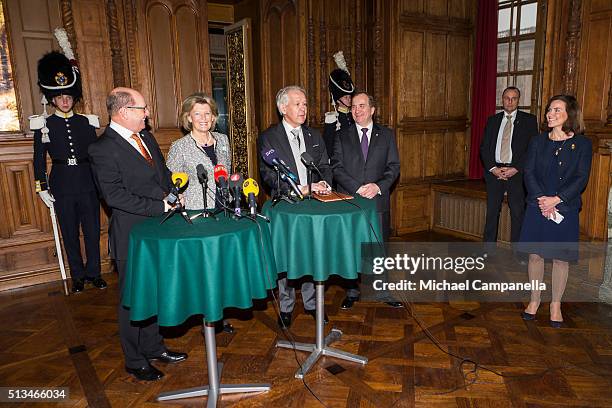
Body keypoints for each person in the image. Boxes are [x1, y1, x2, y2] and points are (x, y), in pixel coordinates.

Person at [88, 87, 188, 381]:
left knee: (156, 290)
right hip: (132, 233)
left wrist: (173, 193)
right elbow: (114, 196)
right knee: (133, 297)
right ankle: (134, 359)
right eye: (142, 109)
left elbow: (162, 174)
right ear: (123, 113)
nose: (147, 114)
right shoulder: (101, 148)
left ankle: (154, 347)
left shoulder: (145, 136)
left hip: (160, 228)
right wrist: (160, 205)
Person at [258, 85, 332, 329]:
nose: (303, 108)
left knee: (311, 253)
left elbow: (325, 166)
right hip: (286, 205)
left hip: (312, 206)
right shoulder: (270, 137)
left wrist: (322, 183)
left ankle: (312, 304)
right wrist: (294, 189)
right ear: (282, 108)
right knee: (286, 255)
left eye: (305, 104)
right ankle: (286, 306)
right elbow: (268, 174)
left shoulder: (314, 136)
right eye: (297, 104)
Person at [32, 50, 105, 293]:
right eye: (60, 96)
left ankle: (94, 273)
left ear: (74, 97)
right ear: (51, 98)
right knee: (70, 233)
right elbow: (39, 160)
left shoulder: (86, 122)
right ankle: (77, 276)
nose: (65, 100)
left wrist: (101, 184)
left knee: (92, 231)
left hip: (87, 183)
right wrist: (41, 187)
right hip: (61, 186)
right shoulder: (44, 125)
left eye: (68, 96)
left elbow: (95, 156)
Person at [518, 95, 591, 328]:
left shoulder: (582, 144)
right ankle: (534, 300)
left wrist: (557, 200)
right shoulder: (537, 142)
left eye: (556, 109)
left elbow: (581, 178)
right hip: (538, 206)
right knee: (535, 255)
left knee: (561, 258)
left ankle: (555, 304)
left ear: (570, 114)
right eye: (549, 109)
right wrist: (542, 200)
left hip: (565, 207)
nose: (550, 113)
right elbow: (528, 173)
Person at [166, 93, 234, 333]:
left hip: (222, 209)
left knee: (220, 264)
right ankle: (205, 315)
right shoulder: (179, 147)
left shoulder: (223, 140)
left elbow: (226, 171)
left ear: (214, 117)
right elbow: (171, 182)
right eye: (198, 114)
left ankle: (218, 314)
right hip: (196, 212)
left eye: (208, 113)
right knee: (202, 267)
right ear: (188, 117)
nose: (203, 118)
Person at [332, 92, 401, 309]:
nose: (356, 110)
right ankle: (352, 291)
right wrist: (357, 188)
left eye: (362, 106)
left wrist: (378, 186)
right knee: (352, 246)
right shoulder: (342, 135)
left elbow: (393, 167)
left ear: (372, 110)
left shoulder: (387, 135)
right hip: (350, 200)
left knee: (379, 247)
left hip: (377, 201)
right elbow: (336, 166)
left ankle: (383, 290)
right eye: (353, 106)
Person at [480, 87, 538, 250]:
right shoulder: (493, 120)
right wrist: (493, 168)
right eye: (507, 98)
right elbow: (484, 148)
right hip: (495, 172)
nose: (510, 101)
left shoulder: (529, 120)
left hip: (517, 174)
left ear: (519, 100)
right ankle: (488, 250)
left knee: (518, 213)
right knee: (492, 212)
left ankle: (518, 252)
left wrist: (516, 168)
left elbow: (532, 149)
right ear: (502, 100)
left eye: (514, 98)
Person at [322, 51, 355, 156]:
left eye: (350, 96)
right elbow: (328, 146)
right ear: (337, 99)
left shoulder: (354, 115)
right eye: (345, 97)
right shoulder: (332, 119)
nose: (349, 99)